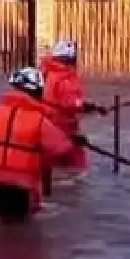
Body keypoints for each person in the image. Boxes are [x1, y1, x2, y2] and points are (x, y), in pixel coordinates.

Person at [0, 66, 78, 225]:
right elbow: (62, 149)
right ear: (37, 92)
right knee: (19, 231)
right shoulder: (40, 121)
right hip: (21, 187)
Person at [40, 39, 107, 171]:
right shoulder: (64, 77)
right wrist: (90, 107)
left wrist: (90, 108)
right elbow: (71, 103)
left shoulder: (46, 74)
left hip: (48, 125)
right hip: (63, 127)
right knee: (77, 165)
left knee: (51, 163)